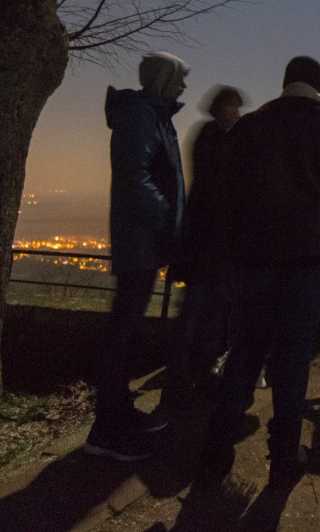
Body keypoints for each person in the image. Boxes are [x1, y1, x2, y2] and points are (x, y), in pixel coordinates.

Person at [201, 56, 320, 491]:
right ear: (319, 87)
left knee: (247, 347)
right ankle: (284, 456)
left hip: (254, 258)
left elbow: (227, 193)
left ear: (286, 84)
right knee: (294, 353)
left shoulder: (251, 128)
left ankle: (216, 449)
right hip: (311, 262)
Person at [86, 51, 190, 461]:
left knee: (125, 331)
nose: (183, 85)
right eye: (179, 77)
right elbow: (136, 178)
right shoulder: (141, 116)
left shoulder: (151, 116)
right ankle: (107, 429)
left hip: (144, 239)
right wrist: (167, 221)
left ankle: (118, 413)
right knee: (122, 333)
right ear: (164, 78)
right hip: (140, 239)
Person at [163, 85, 244, 409]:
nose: (236, 113)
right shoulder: (217, 139)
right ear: (222, 108)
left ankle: (192, 372)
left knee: (205, 310)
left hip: (206, 244)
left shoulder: (207, 136)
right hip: (210, 244)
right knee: (201, 310)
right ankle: (188, 374)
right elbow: (219, 190)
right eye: (233, 107)